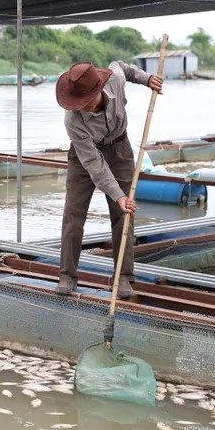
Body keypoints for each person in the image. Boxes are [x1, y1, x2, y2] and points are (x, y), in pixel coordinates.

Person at [54, 61, 163, 298]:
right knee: (73, 214)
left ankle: (124, 276)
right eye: (78, 103)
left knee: (124, 213)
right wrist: (117, 194)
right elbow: (94, 164)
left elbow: (126, 67)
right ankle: (67, 275)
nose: (83, 107)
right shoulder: (72, 120)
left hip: (119, 148)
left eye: (87, 102)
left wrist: (147, 79)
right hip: (85, 155)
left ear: (98, 91)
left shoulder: (115, 79)